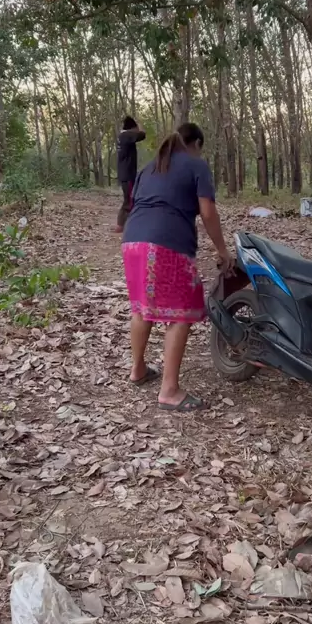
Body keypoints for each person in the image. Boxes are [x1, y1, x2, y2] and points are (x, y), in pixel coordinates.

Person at [121, 122, 233, 412]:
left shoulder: (149, 167)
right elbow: (208, 212)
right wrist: (222, 250)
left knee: (141, 308)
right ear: (196, 144)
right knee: (181, 312)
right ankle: (169, 391)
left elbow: (135, 203)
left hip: (132, 241)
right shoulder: (196, 165)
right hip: (166, 245)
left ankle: (138, 369)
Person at [115, 115, 146, 233]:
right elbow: (142, 135)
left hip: (126, 174)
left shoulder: (123, 137)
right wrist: (140, 126)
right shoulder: (126, 135)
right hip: (127, 175)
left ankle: (124, 224)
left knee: (129, 199)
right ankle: (121, 225)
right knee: (129, 200)